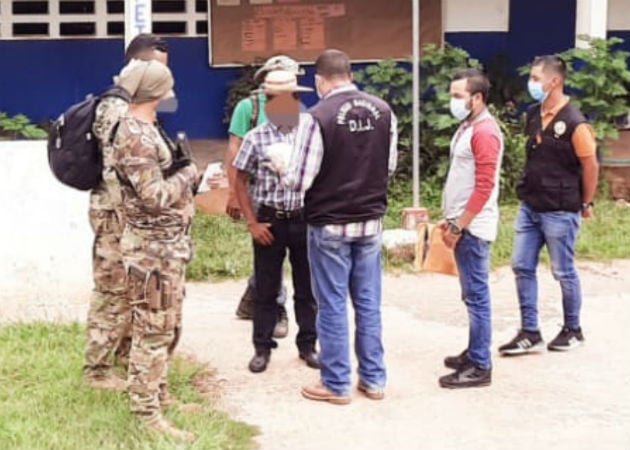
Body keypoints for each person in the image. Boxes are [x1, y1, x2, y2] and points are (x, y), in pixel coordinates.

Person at [283, 49, 398, 404]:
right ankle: (374, 380)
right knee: (368, 302)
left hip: (330, 224)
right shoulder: (384, 110)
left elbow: (299, 180)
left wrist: (280, 170)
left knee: (331, 304)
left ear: (319, 80)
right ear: (349, 74)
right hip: (370, 221)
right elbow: (389, 166)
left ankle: (335, 383)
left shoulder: (316, 117)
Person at [112, 59, 198, 440]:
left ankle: (160, 394)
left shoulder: (148, 129)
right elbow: (153, 197)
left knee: (167, 326)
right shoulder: (136, 137)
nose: (173, 91)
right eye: (169, 85)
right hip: (152, 253)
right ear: (156, 91)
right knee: (151, 331)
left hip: (167, 248)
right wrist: (187, 174)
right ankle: (147, 414)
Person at [84, 33, 169, 389]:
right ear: (138, 64)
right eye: (157, 71)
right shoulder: (116, 106)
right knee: (112, 289)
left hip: (128, 213)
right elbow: (122, 167)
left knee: (134, 288)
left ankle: (123, 357)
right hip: (115, 213)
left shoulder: (130, 105)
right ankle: (98, 369)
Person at [499, 55, 599, 355]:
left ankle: (573, 329)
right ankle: (530, 331)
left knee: (563, 271)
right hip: (531, 204)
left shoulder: (575, 123)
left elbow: (590, 165)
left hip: (560, 207)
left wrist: (587, 202)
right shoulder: (533, 114)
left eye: (535, 78)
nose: (531, 84)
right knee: (521, 265)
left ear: (554, 81)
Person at [233, 69, 320, 374]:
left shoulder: (310, 131)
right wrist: (252, 223)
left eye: (280, 99)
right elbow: (240, 179)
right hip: (269, 220)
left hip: (304, 219)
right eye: (269, 99)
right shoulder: (257, 137)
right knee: (266, 289)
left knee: (307, 289)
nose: (273, 104)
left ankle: (308, 345)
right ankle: (262, 347)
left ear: (296, 99)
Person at [226, 55, 304, 339]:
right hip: (260, 194)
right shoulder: (247, 108)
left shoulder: (299, 109)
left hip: (293, 196)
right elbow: (234, 151)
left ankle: (253, 300)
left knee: (273, 259)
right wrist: (234, 192)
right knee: (269, 255)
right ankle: (277, 308)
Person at [438, 68, 504, 389]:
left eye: (458, 96)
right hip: (462, 222)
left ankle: (480, 365)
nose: (453, 101)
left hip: (473, 228)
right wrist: (450, 216)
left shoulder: (485, 132)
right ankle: (474, 350)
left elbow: (484, 186)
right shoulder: (469, 126)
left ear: (477, 98)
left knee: (477, 297)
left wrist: (459, 225)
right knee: (471, 295)